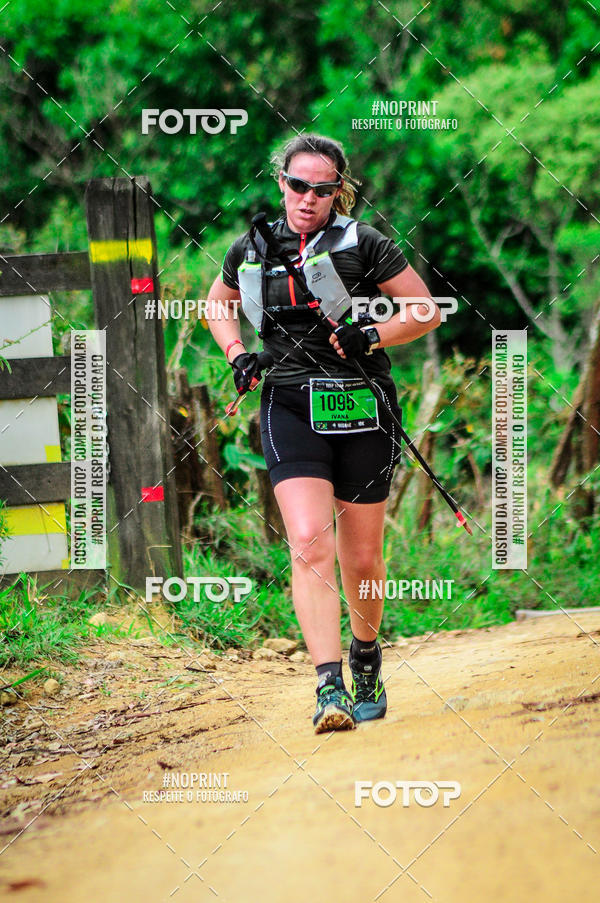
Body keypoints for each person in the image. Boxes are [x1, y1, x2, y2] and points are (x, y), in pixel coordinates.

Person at [206, 134, 440, 733]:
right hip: (289, 406)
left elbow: (425, 309)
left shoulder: (365, 243)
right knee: (310, 541)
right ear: (280, 182)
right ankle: (328, 684)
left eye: (322, 189)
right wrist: (237, 353)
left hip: (362, 405)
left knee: (361, 557)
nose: (308, 198)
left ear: (339, 191)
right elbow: (217, 305)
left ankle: (366, 658)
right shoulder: (252, 247)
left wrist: (372, 335)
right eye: (298, 185)